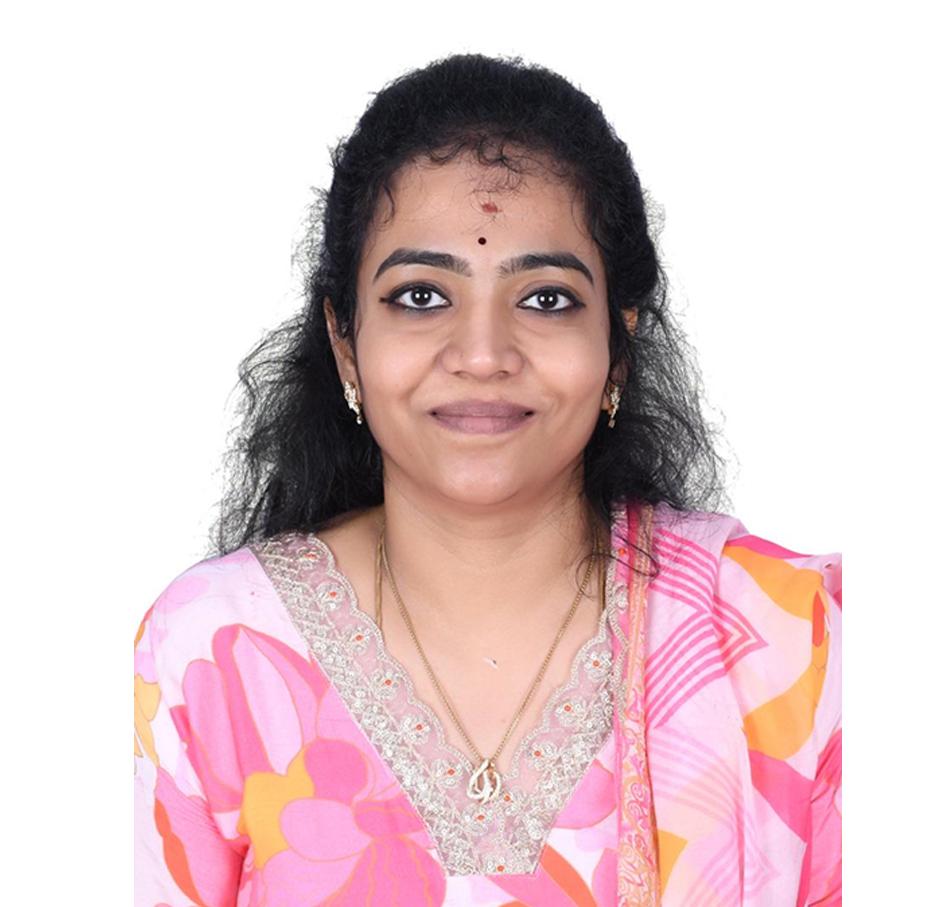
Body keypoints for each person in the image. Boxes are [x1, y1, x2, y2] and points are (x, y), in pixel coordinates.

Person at [133, 54, 841, 906]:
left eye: (545, 298)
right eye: (420, 296)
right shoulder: (208, 651)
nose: (481, 354)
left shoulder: (798, 638)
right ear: (346, 342)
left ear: (617, 344)